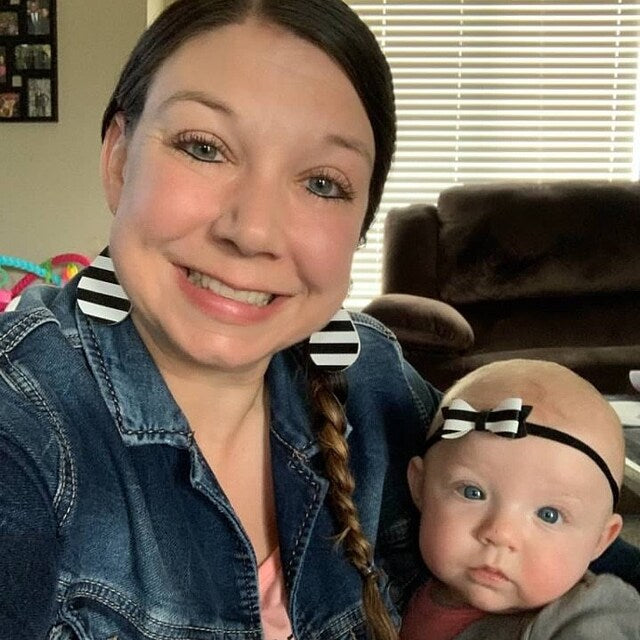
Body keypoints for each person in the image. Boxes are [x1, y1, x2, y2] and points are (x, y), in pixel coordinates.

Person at [0, 2, 637, 639]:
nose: (252, 232)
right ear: (118, 157)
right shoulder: (23, 427)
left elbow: (572, 526)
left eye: (323, 183)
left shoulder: (369, 374)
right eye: (204, 147)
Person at [402, 360, 640, 640]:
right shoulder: (394, 583)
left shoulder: (590, 617)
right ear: (420, 485)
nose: (500, 534)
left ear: (601, 540)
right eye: (472, 492)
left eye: (549, 514)